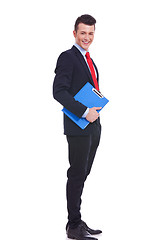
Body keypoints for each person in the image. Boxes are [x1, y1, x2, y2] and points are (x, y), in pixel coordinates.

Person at [53, 14, 102, 240]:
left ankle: (78, 219)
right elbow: (59, 91)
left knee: (83, 174)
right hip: (78, 126)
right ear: (74, 33)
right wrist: (84, 111)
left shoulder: (89, 59)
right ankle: (73, 225)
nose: (87, 37)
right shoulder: (68, 57)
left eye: (91, 33)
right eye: (83, 33)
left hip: (93, 126)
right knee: (76, 174)